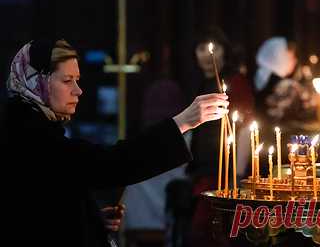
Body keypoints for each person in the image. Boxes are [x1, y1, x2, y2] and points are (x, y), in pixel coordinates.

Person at [4, 39, 229, 247]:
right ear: (37, 81)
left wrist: (90, 218)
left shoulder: (33, 125)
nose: (78, 90)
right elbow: (109, 164)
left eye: (78, 80)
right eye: (67, 80)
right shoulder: (26, 135)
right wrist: (183, 121)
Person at [179, 27, 254, 247]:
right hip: (202, 169)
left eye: (212, 48)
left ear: (224, 51)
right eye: (200, 48)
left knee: (212, 231)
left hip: (224, 171)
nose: (206, 54)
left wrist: (237, 175)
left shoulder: (235, 82)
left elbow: (245, 128)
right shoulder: (201, 83)